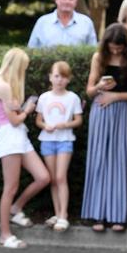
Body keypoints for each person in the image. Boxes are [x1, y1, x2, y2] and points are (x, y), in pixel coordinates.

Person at [81, 23, 127, 232]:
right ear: (106, 44)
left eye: (119, 47)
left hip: (121, 111)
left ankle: (117, 215)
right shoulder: (99, 57)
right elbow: (89, 91)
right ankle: (96, 214)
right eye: (112, 47)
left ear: (125, 45)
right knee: (98, 159)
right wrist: (100, 86)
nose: (115, 50)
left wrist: (116, 96)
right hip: (100, 111)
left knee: (118, 160)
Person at [0, 47, 50, 249]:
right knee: (10, 187)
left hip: (18, 135)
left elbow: (14, 115)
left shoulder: (2, 84)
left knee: (43, 177)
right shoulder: (3, 86)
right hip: (10, 136)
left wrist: (22, 110)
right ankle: (5, 235)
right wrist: (28, 110)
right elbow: (13, 120)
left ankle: (17, 207)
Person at [35, 61, 83, 232]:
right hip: (47, 140)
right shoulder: (44, 98)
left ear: (68, 79)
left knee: (61, 177)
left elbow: (78, 120)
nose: (59, 80)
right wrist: (45, 125)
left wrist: (65, 124)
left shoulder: (73, 98)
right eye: (56, 76)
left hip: (65, 140)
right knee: (53, 179)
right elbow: (38, 120)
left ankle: (63, 215)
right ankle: (57, 213)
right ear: (50, 77)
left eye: (63, 77)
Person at [27, 0, 97, 48]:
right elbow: (31, 49)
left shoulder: (86, 23)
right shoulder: (42, 22)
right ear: (56, 0)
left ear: (76, 2)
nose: (67, 2)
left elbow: (93, 51)